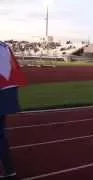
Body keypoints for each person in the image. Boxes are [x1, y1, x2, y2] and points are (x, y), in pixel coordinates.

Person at [0, 41, 26, 179]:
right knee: (1, 135)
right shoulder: (5, 46)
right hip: (8, 92)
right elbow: (12, 69)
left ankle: (8, 170)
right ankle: (9, 170)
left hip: (2, 90)